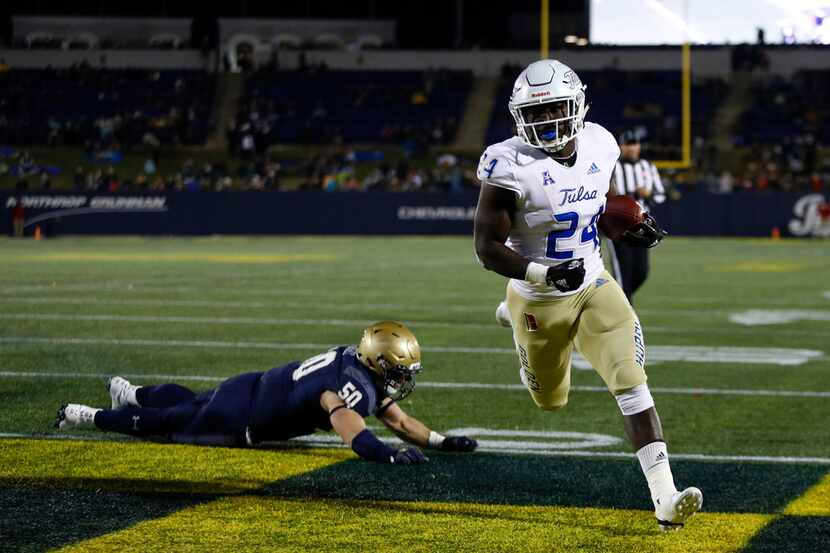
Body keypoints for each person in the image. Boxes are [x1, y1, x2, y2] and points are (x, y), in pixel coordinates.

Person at [473, 59, 700, 531]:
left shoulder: (601, 142)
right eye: (534, 114)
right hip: (538, 296)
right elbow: (487, 248)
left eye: (554, 108)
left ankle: (664, 496)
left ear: (576, 106)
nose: (545, 121)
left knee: (631, 379)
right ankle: (512, 316)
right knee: (550, 400)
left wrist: (624, 224)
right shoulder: (508, 163)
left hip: (594, 282)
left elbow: (599, 207)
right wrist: (542, 272)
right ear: (518, 117)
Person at [55, 321, 478, 465]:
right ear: (379, 363)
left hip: (250, 386)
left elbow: (400, 422)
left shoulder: (352, 360)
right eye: (400, 370)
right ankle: (86, 415)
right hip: (242, 419)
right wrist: (385, 454)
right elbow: (352, 431)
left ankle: (131, 392)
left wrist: (442, 441)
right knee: (169, 425)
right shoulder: (349, 387)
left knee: (192, 401)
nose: (403, 380)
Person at [608, 130, 666, 303]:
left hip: (642, 227)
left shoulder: (648, 167)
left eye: (635, 144)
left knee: (641, 272)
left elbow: (660, 195)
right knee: (623, 273)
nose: (632, 148)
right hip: (618, 228)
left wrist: (647, 194)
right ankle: (626, 309)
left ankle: (617, 300)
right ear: (621, 147)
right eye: (628, 144)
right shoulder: (613, 167)